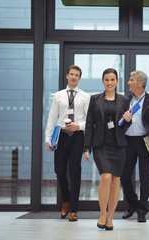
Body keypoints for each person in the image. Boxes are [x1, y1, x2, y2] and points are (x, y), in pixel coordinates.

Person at [83, 68, 132, 231]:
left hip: (118, 145)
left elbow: (124, 126)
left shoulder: (125, 100)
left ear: (117, 81)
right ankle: (102, 213)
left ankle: (110, 217)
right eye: (107, 80)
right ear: (103, 81)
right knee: (105, 177)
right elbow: (89, 124)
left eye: (112, 80)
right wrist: (86, 147)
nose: (109, 83)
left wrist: (128, 120)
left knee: (116, 180)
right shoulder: (95, 100)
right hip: (100, 145)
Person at [45, 65, 90, 222]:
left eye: (77, 75)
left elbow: (89, 120)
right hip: (62, 136)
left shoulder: (85, 96)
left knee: (75, 171)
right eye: (71, 74)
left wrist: (79, 126)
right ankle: (66, 200)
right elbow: (52, 117)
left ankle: (73, 210)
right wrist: (48, 138)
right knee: (60, 170)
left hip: (77, 136)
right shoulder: (58, 96)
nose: (73, 77)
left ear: (79, 78)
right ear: (67, 76)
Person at [120, 70, 149, 223]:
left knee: (145, 178)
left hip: (146, 142)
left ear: (140, 83)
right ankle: (133, 204)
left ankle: (142, 211)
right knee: (125, 177)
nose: (128, 82)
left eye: (131, 80)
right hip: (128, 143)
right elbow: (119, 124)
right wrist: (125, 119)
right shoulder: (125, 100)